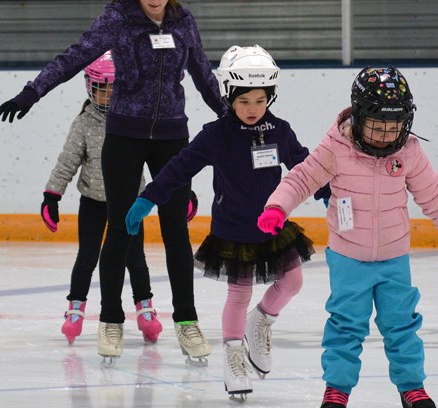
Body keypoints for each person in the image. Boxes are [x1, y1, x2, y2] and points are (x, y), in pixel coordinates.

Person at [0, 0, 224, 365]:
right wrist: (32, 92)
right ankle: (112, 321)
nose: (155, 0)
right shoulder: (118, 18)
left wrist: (232, 118)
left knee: (176, 230)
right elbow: (74, 56)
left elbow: (204, 78)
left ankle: (188, 323)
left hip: (173, 135)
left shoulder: (183, 22)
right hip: (124, 134)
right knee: (121, 228)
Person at [257, 66, 438, 408]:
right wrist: (277, 208)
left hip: (394, 258)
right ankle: (337, 389)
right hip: (348, 258)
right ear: (359, 118)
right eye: (377, 126)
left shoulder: (409, 152)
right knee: (346, 326)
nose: (386, 135)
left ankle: (412, 387)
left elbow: (433, 196)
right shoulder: (336, 147)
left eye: (394, 126)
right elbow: (301, 179)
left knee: (402, 325)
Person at [125, 45, 328, 399]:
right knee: (239, 293)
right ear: (230, 97)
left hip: (272, 226)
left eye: (260, 101)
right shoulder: (215, 135)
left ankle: (261, 319)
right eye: (244, 101)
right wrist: (149, 197)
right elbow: (179, 167)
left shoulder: (279, 130)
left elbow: (304, 165)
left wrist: (326, 190)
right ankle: (234, 357)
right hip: (233, 229)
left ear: (270, 98)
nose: (252, 109)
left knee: (293, 281)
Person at [40, 51, 163, 345]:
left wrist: (178, 192)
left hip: (131, 204)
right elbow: (68, 160)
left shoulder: (137, 119)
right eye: (102, 89)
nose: (108, 95)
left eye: (114, 89)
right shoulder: (85, 123)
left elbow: (159, 160)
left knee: (135, 258)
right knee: (87, 257)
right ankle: (75, 309)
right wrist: (52, 195)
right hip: (93, 202)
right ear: (90, 87)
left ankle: (145, 309)